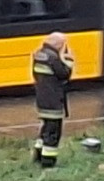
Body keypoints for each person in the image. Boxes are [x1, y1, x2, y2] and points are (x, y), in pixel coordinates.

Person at [31, 32, 73, 167]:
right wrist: (69, 61)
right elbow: (64, 74)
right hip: (53, 101)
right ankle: (48, 163)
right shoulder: (53, 58)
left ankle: (38, 156)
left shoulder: (39, 54)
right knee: (53, 132)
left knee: (45, 129)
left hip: (42, 99)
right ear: (59, 44)